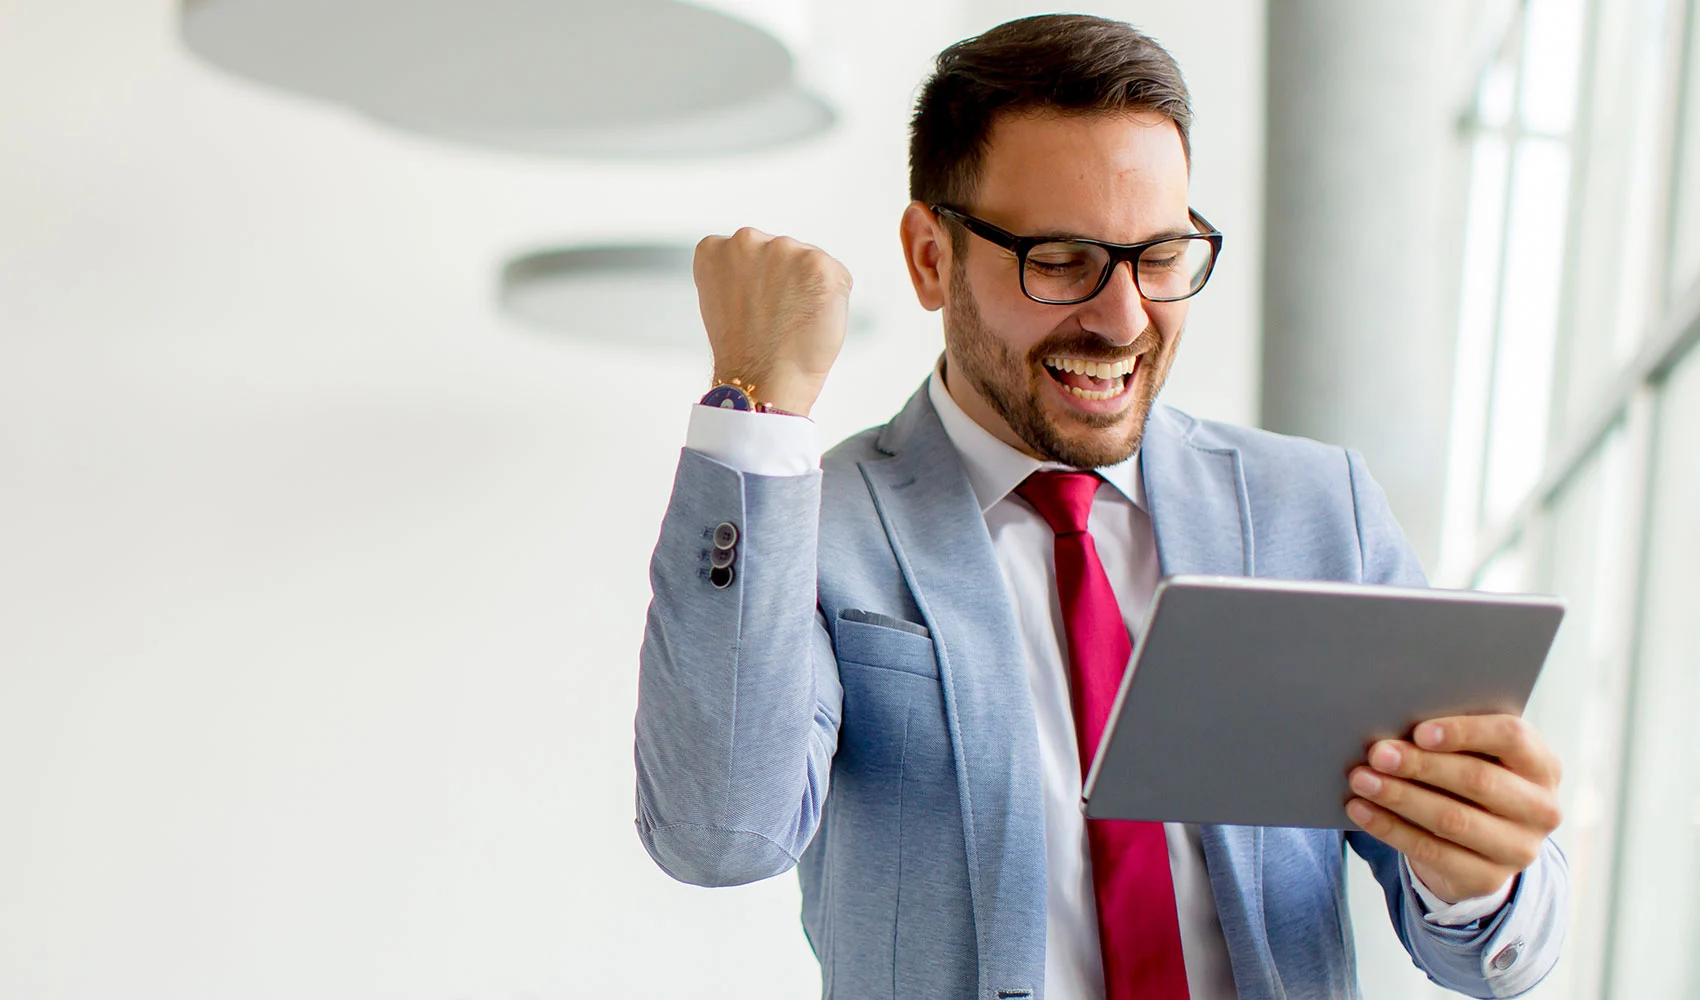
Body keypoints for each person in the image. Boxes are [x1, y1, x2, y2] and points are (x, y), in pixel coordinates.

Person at [634, 14, 1567, 1000]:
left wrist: (1477, 873)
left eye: (1159, 257)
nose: (1122, 320)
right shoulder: (816, 526)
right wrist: (760, 408)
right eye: (1060, 260)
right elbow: (716, 832)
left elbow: (1491, 949)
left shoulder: (1314, 509)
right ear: (930, 258)